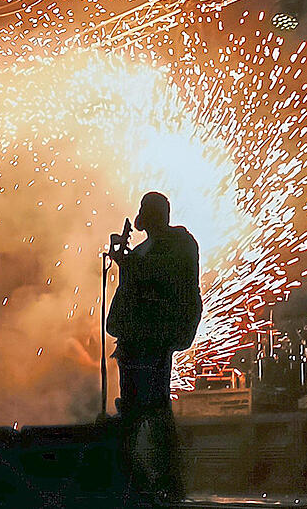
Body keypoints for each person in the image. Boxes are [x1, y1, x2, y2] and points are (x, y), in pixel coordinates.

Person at [106, 191, 201, 498]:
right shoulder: (145, 249)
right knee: (135, 411)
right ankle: (135, 480)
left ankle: (168, 483)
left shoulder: (179, 245)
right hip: (134, 341)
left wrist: (127, 262)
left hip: (153, 340)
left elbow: (165, 274)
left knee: (155, 411)